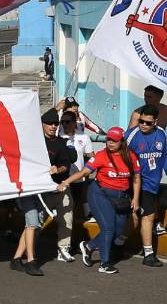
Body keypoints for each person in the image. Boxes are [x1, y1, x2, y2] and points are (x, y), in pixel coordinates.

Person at [58, 127, 140, 274]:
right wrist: (66, 182)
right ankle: (105, 263)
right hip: (100, 194)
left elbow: (136, 178)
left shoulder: (130, 156)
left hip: (121, 197)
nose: (110, 143)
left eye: (114, 140)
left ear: (122, 142)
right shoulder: (102, 155)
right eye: (108, 139)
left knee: (118, 230)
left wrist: (136, 198)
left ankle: (88, 246)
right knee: (108, 228)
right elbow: (84, 172)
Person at [12, 109, 77, 275]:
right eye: (49, 123)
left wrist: (57, 169)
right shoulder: (32, 141)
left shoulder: (61, 143)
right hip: (30, 189)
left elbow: (66, 165)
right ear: (42, 124)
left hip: (52, 189)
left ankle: (17, 258)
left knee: (33, 224)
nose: (53, 126)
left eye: (56, 123)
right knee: (33, 223)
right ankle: (30, 261)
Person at [124, 105, 167, 267]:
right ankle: (147, 253)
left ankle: (120, 243)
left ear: (155, 122)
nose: (143, 125)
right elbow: (118, 156)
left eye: (147, 123)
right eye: (141, 121)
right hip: (136, 183)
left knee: (141, 218)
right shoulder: (131, 135)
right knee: (143, 216)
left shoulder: (161, 134)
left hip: (153, 183)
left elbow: (165, 157)